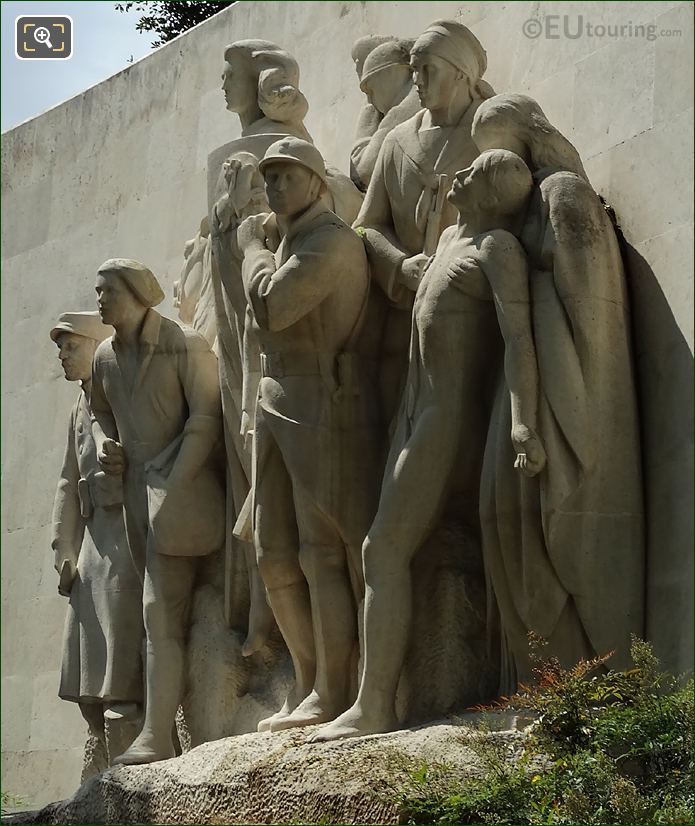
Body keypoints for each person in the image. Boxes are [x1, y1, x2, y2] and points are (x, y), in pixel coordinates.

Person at [312, 149, 541, 742]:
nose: (463, 172)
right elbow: (370, 235)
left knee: (382, 549)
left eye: (480, 172)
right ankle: (375, 700)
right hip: (416, 415)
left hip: (449, 422)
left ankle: (376, 706)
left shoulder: (497, 249)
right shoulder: (445, 246)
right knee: (380, 550)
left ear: (494, 197)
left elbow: (519, 340)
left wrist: (523, 422)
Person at [472, 94, 645, 689]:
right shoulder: (509, 223)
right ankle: (545, 681)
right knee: (504, 519)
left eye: (497, 155)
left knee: (551, 524)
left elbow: (592, 313)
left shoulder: (562, 194)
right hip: (523, 384)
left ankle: (589, 683)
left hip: (566, 386)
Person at [237, 137, 381, 732]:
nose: (274, 188)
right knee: (272, 553)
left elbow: (274, 306)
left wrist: (249, 250)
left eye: (287, 177)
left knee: (325, 550)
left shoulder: (329, 241)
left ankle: (335, 687)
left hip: (322, 401)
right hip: (277, 401)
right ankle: (307, 680)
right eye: (269, 178)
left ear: (317, 183)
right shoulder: (293, 241)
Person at [90, 259, 224, 764]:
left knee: (157, 609)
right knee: (156, 610)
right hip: (133, 495)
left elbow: (207, 417)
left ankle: (157, 734)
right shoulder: (104, 356)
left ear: (134, 292)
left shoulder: (182, 342)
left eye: (106, 291)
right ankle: (160, 727)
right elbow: (99, 410)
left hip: (179, 488)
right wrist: (109, 444)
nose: (99, 299)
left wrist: (175, 481)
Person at [354, 19, 494, 424]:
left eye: (427, 69)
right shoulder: (397, 141)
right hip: (406, 317)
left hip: (478, 310)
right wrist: (400, 265)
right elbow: (365, 226)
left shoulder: (490, 128)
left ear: (460, 72)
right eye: (413, 70)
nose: (417, 80)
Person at [51, 311, 144, 762]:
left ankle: (132, 756)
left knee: (121, 659)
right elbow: (68, 480)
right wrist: (62, 547)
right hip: (92, 540)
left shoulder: (122, 387)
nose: (64, 357)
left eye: (71, 347)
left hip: (125, 532)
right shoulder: (77, 407)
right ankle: (101, 759)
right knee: (84, 660)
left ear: (94, 346)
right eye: (61, 349)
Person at [350, 37, 420, 191]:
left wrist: (372, 119)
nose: (369, 99)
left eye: (369, 88)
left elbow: (363, 172)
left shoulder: (410, 104)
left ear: (387, 74)